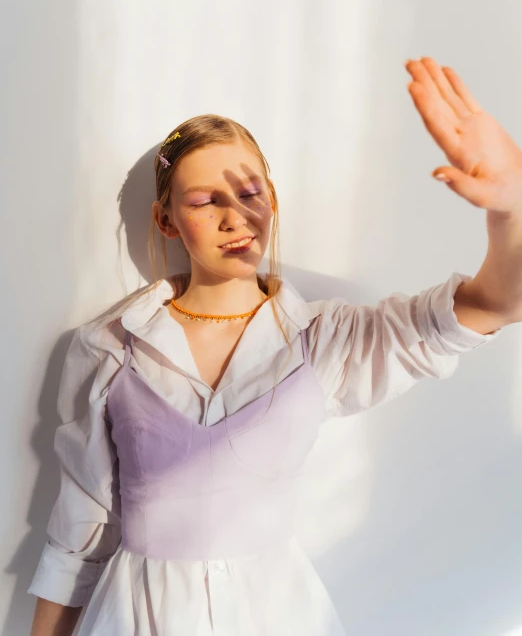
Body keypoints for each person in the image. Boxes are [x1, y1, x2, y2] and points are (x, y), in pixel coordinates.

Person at [28, 59, 522, 634]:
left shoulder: (325, 338)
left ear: (272, 201)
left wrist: (509, 209)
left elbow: (495, 305)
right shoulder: (108, 347)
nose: (235, 215)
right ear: (166, 222)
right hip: (137, 618)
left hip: (273, 616)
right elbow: (78, 537)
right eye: (204, 200)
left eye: (248, 192)